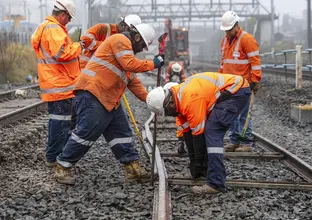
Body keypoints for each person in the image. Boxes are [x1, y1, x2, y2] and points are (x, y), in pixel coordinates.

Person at [55, 23, 165, 185]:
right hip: (93, 93)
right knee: (87, 133)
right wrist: (153, 64)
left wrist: (152, 100)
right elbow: (130, 65)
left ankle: (132, 168)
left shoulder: (126, 53)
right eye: (142, 45)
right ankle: (62, 167)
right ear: (136, 37)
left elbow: (133, 83)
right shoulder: (120, 40)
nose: (142, 49)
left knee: (122, 133)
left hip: (109, 99)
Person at [146, 72, 251, 194]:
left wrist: (199, 164)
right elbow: (187, 133)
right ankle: (209, 171)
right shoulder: (178, 100)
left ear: (170, 103)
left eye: (167, 112)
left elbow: (198, 135)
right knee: (209, 131)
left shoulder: (191, 99)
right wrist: (193, 161)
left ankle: (215, 183)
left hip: (235, 91)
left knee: (212, 131)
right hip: (232, 89)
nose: (169, 115)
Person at [31, 0, 84, 167]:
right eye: (69, 18)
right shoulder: (54, 30)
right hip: (60, 85)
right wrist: (79, 46)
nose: (69, 21)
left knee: (59, 122)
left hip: (56, 84)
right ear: (62, 15)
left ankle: (54, 155)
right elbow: (61, 53)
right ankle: (53, 158)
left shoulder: (47, 27)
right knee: (60, 124)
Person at [218, 10, 262, 152]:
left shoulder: (247, 39)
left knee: (243, 114)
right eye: (225, 30)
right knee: (231, 114)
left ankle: (246, 143)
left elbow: (255, 62)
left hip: (244, 84)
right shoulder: (224, 41)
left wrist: (254, 81)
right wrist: (219, 80)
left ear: (237, 25)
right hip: (229, 84)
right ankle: (234, 141)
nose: (227, 32)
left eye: (229, 29)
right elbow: (223, 63)